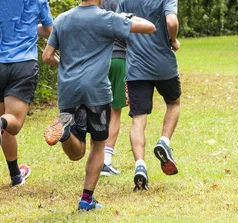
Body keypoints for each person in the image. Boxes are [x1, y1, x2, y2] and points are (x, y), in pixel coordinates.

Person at [42, 0, 155, 210]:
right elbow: (150, 27)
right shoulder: (107, 18)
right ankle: (86, 200)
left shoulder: (62, 19)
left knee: (76, 152)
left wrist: (65, 68)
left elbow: (47, 56)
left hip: (69, 90)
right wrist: (127, 17)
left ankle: (65, 133)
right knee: (98, 144)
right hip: (96, 91)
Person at [0, 0, 54, 187]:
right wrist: (27, 28)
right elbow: (49, 31)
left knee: (5, 119)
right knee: (13, 123)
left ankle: (15, 176)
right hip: (23, 64)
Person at [117, 0, 181, 191]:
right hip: (164, 65)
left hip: (136, 67)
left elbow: (118, 24)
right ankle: (164, 142)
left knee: (138, 118)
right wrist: (174, 40)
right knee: (174, 103)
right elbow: (172, 22)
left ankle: (140, 165)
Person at [98, 0, 128, 176]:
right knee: (115, 111)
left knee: (98, 107)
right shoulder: (123, 2)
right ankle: (106, 162)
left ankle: (95, 156)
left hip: (98, 59)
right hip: (119, 58)